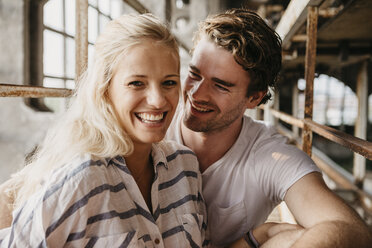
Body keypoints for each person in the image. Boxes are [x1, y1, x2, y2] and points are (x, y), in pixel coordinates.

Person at [165, 8, 372, 247]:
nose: (196, 93)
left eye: (221, 86)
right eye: (194, 74)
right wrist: (261, 234)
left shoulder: (268, 154)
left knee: (290, 238)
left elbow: (351, 230)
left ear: (254, 98)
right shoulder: (154, 126)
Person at [0, 13, 208, 247]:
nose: (158, 101)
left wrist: (257, 236)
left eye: (168, 82)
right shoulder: (80, 178)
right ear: (105, 89)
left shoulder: (186, 166)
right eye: (136, 83)